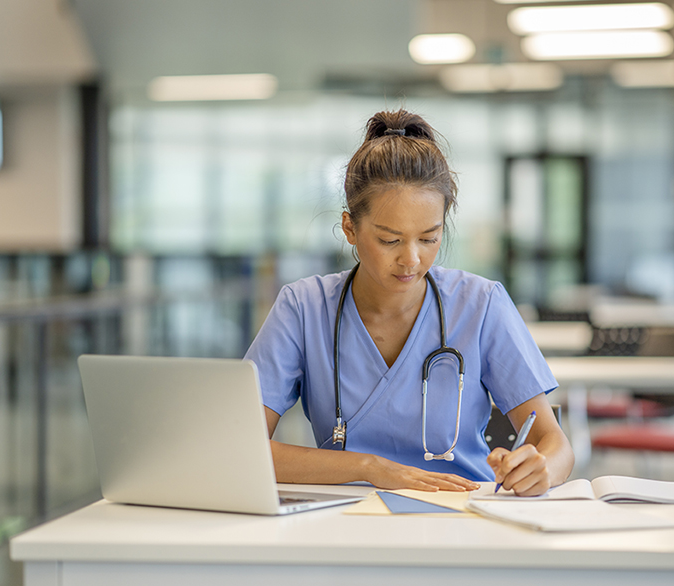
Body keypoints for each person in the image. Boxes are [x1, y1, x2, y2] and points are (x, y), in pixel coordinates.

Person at [244, 109, 574, 495]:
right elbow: (243, 449)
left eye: (429, 238)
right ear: (350, 228)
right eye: (389, 240)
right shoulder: (302, 308)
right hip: (342, 516)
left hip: (462, 512)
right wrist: (370, 467)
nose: (411, 259)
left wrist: (540, 468)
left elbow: (556, 445)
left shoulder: (480, 304)